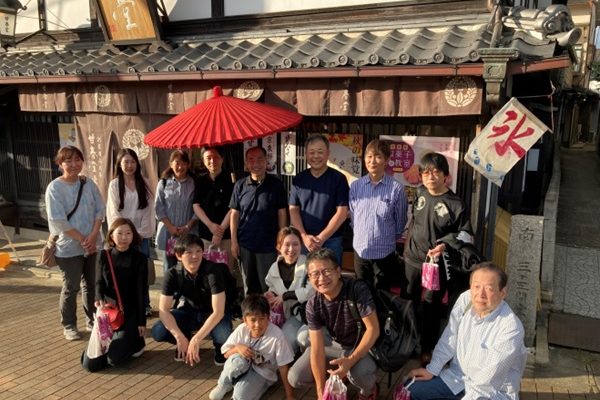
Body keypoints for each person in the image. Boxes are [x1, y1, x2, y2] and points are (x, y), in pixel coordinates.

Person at [408, 262, 527, 400]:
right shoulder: (466, 299)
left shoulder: (511, 327)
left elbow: (486, 384)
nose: (480, 294)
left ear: (503, 293)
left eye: (489, 288)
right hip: (458, 378)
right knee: (410, 390)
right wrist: (432, 370)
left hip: (491, 393)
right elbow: (449, 337)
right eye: (476, 286)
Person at [403, 152, 473, 365]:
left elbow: (465, 234)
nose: (430, 177)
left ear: (446, 176)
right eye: (425, 172)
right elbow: (415, 222)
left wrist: (445, 245)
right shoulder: (420, 193)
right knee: (408, 300)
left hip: (437, 264)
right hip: (413, 259)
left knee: (431, 306)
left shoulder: (456, 204)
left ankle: (427, 347)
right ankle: (406, 342)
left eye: (435, 172)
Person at [288, 248, 380, 400]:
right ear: (309, 278)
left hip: (361, 345)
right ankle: (337, 377)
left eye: (326, 271)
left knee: (361, 374)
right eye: (315, 274)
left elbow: (373, 329)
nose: (321, 278)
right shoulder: (313, 304)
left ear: (338, 271)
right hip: (334, 344)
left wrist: (350, 361)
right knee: (295, 377)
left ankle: (368, 390)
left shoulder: (357, 289)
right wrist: (320, 392)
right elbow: (317, 349)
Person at [45, 145, 105, 341]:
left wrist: (93, 235)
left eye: (77, 160)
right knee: (71, 287)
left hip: (93, 244)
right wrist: (82, 239)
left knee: (91, 284)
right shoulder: (55, 188)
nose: (73, 164)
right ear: (60, 164)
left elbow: (100, 209)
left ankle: (92, 319)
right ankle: (69, 324)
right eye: (68, 160)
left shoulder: (88, 183)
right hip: (69, 247)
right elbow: (58, 220)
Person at [151, 233, 233, 366]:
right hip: (189, 312)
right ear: (179, 256)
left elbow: (218, 312)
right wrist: (179, 336)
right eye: (189, 252)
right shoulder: (172, 274)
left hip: (214, 315)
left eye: (198, 251)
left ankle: (220, 347)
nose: (195, 256)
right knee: (158, 330)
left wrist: (197, 339)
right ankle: (185, 339)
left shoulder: (213, 272)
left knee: (223, 333)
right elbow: (163, 310)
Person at [81, 218, 147, 372]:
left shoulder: (140, 258)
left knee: (114, 358)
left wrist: (141, 321)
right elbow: (98, 282)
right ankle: (113, 344)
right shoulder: (104, 255)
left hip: (129, 313)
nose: (124, 237)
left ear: (133, 235)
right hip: (109, 314)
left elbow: (141, 292)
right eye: (120, 233)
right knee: (90, 365)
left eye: (128, 233)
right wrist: (98, 298)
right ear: (111, 235)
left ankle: (137, 342)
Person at [208, 294, 296, 400]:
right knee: (236, 361)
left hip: (262, 372)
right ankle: (223, 385)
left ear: (268, 317)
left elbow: (283, 366)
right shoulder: (241, 329)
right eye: (253, 320)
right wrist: (237, 348)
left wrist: (290, 396)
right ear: (245, 320)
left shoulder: (277, 335)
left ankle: (245, 384)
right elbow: (226, 354)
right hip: (243, 365)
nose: (257, 325)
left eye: (262, 319)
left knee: (241, 396)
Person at [349, 139, 408, 291]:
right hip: (361, 250)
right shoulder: (356, 186)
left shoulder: (396, 188)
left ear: (387, 160)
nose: (372, 161)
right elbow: (353, 217)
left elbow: (401, 221)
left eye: (378, 156)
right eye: (369, 157)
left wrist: (388, 238)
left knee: (382, 293)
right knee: (361, 292)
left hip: (384, 252)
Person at [229, 146, 287, 295]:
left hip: (269, 245)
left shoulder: (276, 184)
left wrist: (281, 240)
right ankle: (249, 310)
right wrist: (234, 242)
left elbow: (282, 213)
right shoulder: (240, 185)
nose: (256, 163)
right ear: (246, 164)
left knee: (268, 286)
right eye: (251, 160)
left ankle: (268, 310)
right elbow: (234, 214)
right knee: (248, 286)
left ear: (266, 161)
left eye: (260, 159)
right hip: (245, 244)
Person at [106, 148, 155, 315]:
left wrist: (139, 234)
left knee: (142, 272)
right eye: (126, 162)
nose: (129, 165)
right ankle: (124, 305)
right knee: (122, 273)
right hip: (121, 237)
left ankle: (145, 304)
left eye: (132, 161)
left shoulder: (145, 183)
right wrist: (123, 234)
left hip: (141, 237)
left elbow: (148, 211)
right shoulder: (114, 185)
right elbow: (114, 212)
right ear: (119, 164)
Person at [289, 134, 349, 265]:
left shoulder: (338, 179)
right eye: (312, 152)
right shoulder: (299, 179)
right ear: (306, 154)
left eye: (320, 152)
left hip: (332, 240)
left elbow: (342, 212)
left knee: (330, 275)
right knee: (304, 276)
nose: (316, 156)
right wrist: (304, 236)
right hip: (305, 241)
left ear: (328, 154)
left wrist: (321, 238)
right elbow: (293, 210)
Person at [264, 226, 315, 354]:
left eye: (295, 244)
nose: (291, 249)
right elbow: (272, 286)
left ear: (301, 245)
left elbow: (310, 291)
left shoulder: (310, 264)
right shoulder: (274, 267)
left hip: (305, 315)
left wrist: (285, 296)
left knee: (297, 340)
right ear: (278, 247)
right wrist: (271, 294)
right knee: (279, 342)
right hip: (283, 315)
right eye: (286, 245)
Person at [192, 146, 234, 270]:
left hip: (226, 236)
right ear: (203, 160)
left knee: (225, 271)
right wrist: (210, 225)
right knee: (206, 271)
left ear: (222, 159)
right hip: (205, 235)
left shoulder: (231, 180)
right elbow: (196, 205)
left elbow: (234, 208)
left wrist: (219, 232)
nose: (212, 161)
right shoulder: (200, 181)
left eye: (216, 157)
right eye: (208, 158)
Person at [155, 150, 197, 271]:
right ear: (171, 164)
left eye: (184, 163)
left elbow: (198, 208)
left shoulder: (194, 183)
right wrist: (170, 227)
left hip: (188, 233)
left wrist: (187, 226)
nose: (180, 167)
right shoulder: (163, 183)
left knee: (189, 266)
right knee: (169, 267)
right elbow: (158, 207)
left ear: (188, 165)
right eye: (177, 163)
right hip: (168, 233)